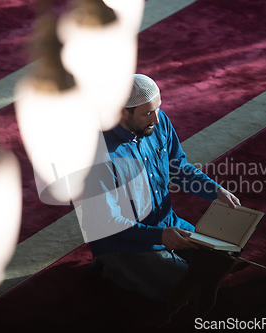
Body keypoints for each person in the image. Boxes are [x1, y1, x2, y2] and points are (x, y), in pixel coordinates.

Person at [81, 74, 240, 302]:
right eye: (147, 113)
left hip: (166, 224)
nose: (157, 118)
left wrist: (216, 191)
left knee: (222, 259)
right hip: (124, 242)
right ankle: (112, 269)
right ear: (122, 112)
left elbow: (178, 168)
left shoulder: (158, 121)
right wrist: (159, 236)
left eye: (158, 108)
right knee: (183, 291)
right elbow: (107, 222)